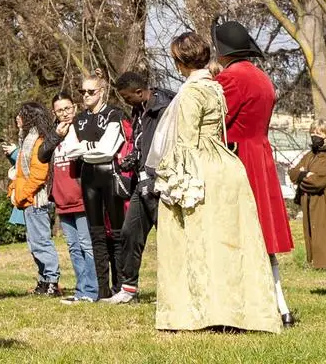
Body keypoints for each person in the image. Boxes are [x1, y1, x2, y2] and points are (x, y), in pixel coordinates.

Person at [150, 31, 280, 333]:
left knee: (196, 241)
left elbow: (185, 142)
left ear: (180, 62)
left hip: (201, 167)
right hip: (226, 165)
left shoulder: (193, 91)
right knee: (227, 241)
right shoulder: (214, 87)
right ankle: (236, 311)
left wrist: (172, 179)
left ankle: (197, 312)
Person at [211, 21, 295, 325]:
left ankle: (244, 309)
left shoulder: (230, 79)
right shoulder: (261, 76)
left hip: (238, 156)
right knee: (262, 238)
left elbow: (217, 122)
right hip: (260, 155)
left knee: (240, 235)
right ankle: (280, 305)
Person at [105, 68, 174, 304]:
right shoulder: (138, 110)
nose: (126, 101)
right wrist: (134, 156)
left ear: (139, 91)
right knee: (130, 234)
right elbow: (142, 140)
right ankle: (128, 289)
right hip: (141, 182)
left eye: (127, 97)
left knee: (168, 238)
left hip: (162, 182)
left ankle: (173, 292)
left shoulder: (165, 107)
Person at [71, 75, 130, 297]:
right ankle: (102, 289)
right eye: (82, 91)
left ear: (102, 91)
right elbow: (69, 149)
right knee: (96, 232)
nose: (86, 95)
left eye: (91, 91)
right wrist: (89, 148)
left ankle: (121, 286)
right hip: (88, 176)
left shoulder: (113, 114)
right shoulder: (79, 119)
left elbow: (107, 150)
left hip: (109, 173)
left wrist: (85, 146)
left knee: (116, 231)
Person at [8, 102, 63, 295]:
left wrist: (22, 194)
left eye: (21, 114)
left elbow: (39, 175)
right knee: (34, 243)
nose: (17, 118)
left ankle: (52, 282)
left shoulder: (38, 141)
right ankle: (43, 280)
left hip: (36, 200)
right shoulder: (27, 140)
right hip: (29, 201)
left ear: (30, 117)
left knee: (41, 242)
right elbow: (22, 172)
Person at [288, 121, 326, 295]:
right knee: (321, 241)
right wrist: (304, 174)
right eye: (313, 132)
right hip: (314, 204)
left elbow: (317, 181)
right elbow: (292, 173)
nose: (315, 136)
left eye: (320, 133)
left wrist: (304, 175)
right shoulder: (311, 155)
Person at [50, 96, 99, 302]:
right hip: (62, 199)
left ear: (75, 108)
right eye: (59, 110)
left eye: (67, 108)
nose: (64, 113)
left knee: (87, 245)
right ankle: (81, 289)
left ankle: (93, 290)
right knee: (73, 247)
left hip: (81, 196)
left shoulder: (82, 128)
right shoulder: (54, 135)